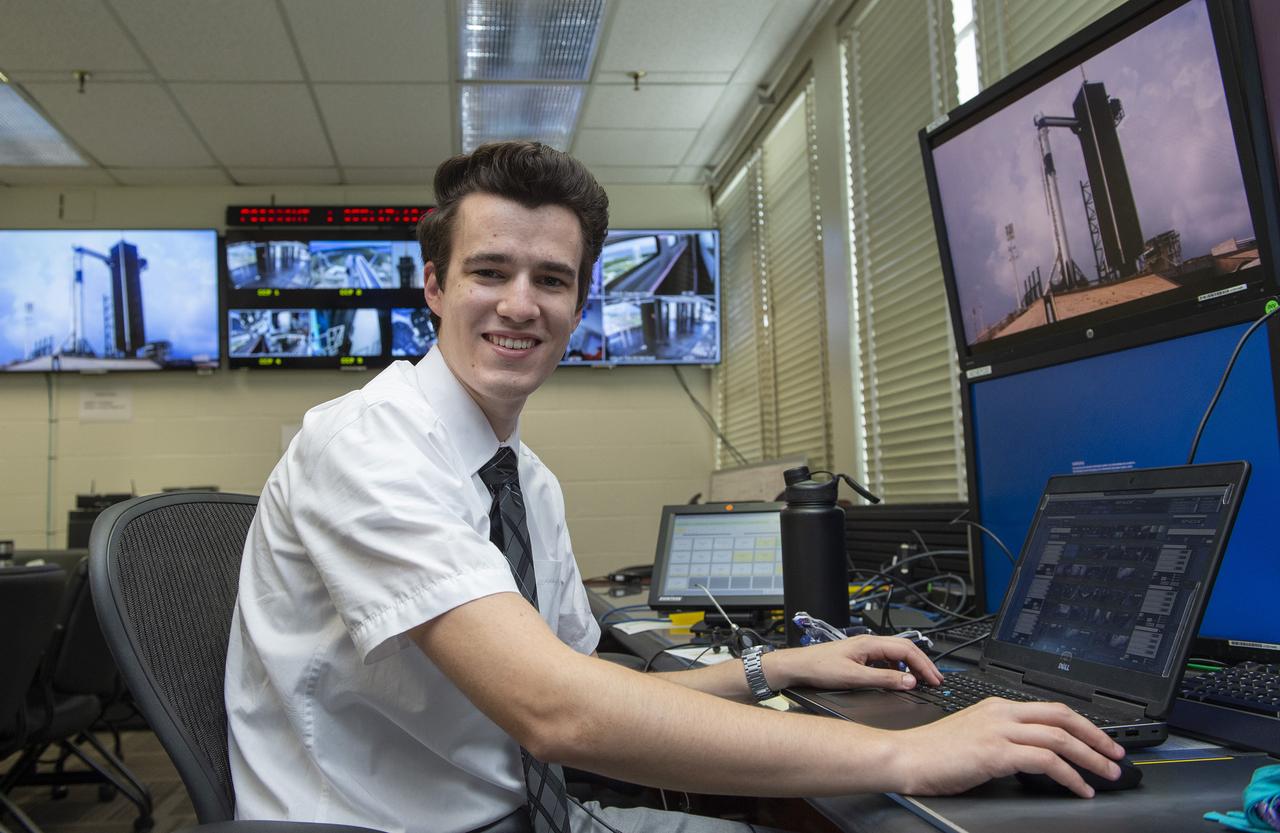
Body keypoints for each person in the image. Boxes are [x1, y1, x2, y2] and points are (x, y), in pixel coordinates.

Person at [225, 141, 1126, 833]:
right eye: (489, 272)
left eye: (552, 279)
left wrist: (772, 664)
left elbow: (581, 683)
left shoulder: (522, 478)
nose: (519, 304)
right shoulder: (366, 444)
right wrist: (910, 752)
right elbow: (560, 712)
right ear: (432, 284)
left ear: (579, 306)